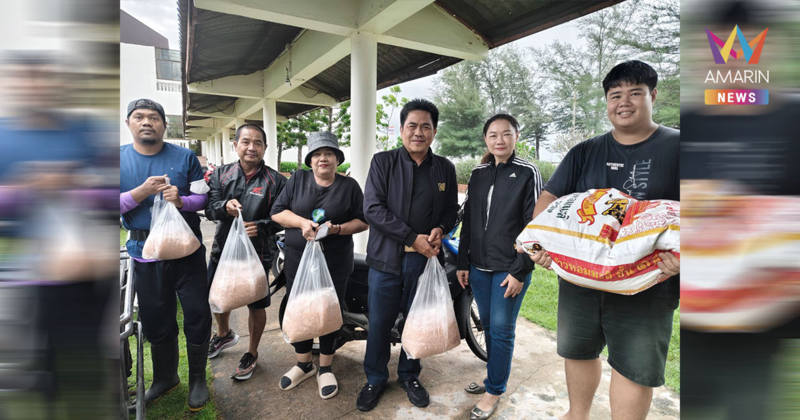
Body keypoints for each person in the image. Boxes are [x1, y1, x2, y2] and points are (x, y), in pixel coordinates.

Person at [530, 61, 680, 420]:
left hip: (646, 284)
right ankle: (576, 414)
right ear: (607, 102)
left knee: (634, 367)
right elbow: (548, 201)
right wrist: (540, 244)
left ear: (653, 95)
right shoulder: (585, 151)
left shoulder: (680, 147)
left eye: (634, 93)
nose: (624, 102)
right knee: (578, 351)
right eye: (616, 95)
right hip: (582, 279)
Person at [357, 99, 460, 412]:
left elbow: (451, 210)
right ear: (401, 130)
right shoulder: (383, 162)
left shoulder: (444, 167)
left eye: (425, 127)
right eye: (412, 126)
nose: (419, 132)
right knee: (379, 323)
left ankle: (409, 374)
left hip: (423, 260)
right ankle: (375, 377)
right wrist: (412, 238)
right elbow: (372, 209)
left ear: (434, 131)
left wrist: (441, 228)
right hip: (386, 261)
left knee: (418, 321)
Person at [120, 99, 212, 411]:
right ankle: (165, 377)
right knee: (156, 317)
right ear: (129, 123)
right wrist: (141, 193)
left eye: (154, 117)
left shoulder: (184, 156)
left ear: (164, 124)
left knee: (197, 312)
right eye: (139, 117)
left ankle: (198, 377)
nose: (147, 122)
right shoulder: (116, 159)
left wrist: (183, 201)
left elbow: (202, 197)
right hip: (146, 254)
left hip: (186, 252)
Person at [456, 114, 542, 420]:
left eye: (506, 134)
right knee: (489, 327)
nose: (500, 140)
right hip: (479, 267)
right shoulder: (478, 173)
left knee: (502, 331)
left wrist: (521, 270)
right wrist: (463, 262)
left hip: (509, 269)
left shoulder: (527, 172)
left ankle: (494, 390)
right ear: (486, 139)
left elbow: (535, 226)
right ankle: (493, 377)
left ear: (517, 136)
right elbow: (468, 222)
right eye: (493, 135)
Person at [270, 132, 368, 399]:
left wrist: (337, 229)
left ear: (338, 159)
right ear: (310, 160)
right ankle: (303, 363)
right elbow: (278, 212)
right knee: (300, 310)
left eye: (329, 154)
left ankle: (325, 366)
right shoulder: (297, 180)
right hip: (298, 261)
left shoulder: (349, 187)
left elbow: (363, 220)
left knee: (328, 312)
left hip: (335, 262)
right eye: (317, 154)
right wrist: (302, 223)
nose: (323, 158)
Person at [204, 123, 287, 381]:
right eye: (246, 142)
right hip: (224, 249)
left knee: (257, 303)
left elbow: (283, 218)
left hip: (258, 253)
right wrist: (223, 208)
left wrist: (261, 227)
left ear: (264, 147)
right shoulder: (221, 174)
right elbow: (209, 208)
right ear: (236, 145)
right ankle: (223, 334)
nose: (252, 147)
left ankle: (252, 351)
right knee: (218, 295)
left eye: (258, 143)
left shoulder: (277, 181)